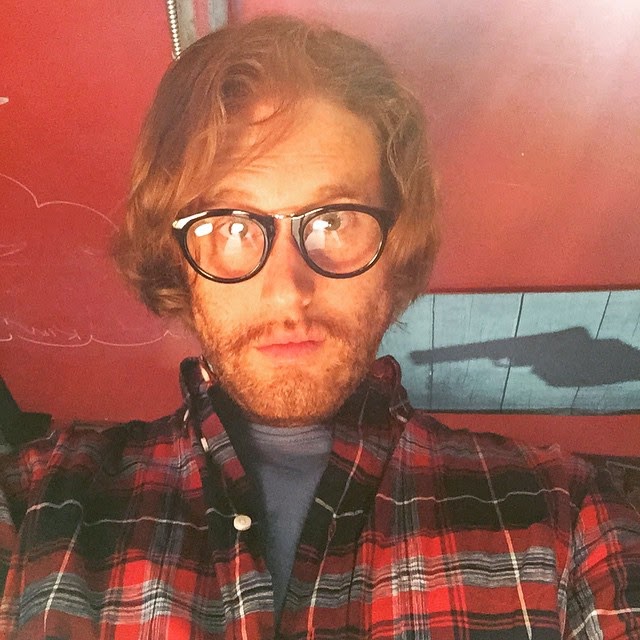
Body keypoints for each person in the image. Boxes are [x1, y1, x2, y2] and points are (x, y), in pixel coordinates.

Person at [1, 14, 639, 640]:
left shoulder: (563, 516)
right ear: (180, 261)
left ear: (396, 244)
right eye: (231, 226)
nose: (288, 290)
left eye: (333, 221)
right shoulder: (38, 505)